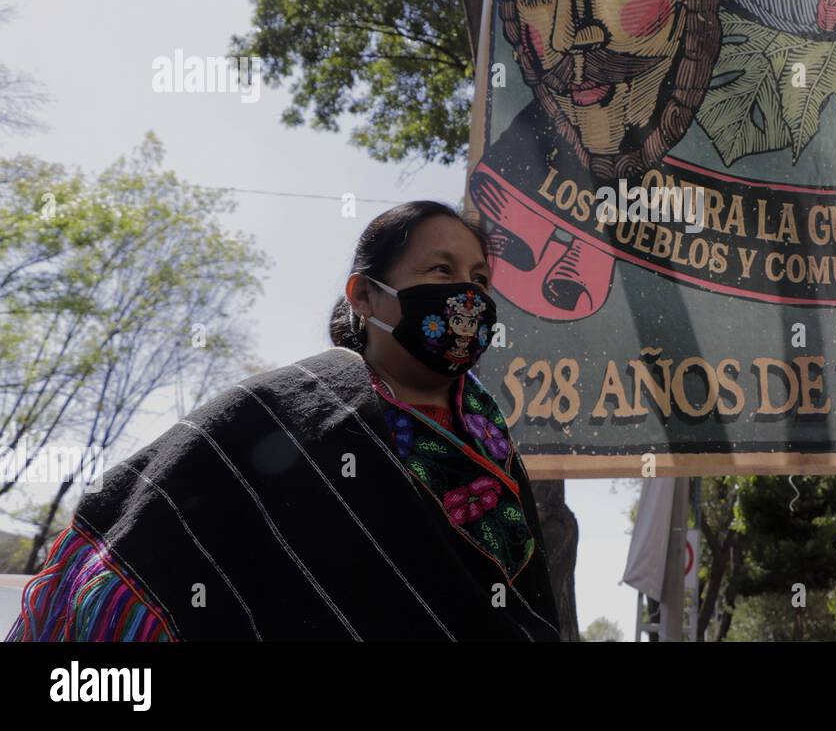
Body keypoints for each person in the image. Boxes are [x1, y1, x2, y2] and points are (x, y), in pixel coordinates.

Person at [6, 201, 561, 641]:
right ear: (365, 296)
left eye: (481, 279)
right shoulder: (280, 412)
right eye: (442, 269)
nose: (467, 294)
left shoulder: (492, 445)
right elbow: (153, 539)